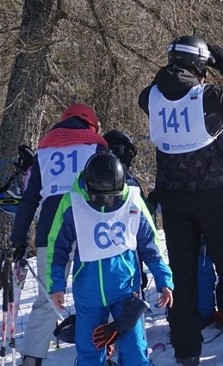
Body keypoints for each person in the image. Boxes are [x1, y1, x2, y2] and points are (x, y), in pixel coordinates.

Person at [138, 35, 223, 363]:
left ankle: (185, 349)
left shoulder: (150, 96)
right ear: (199, 65)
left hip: (174, 199)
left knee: (183, 275)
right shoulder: (207, 96)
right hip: (213, 197)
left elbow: (158, 92)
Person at [46, 152, 174, 366]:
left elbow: (151, 246)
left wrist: (164, 279)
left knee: (134, 350)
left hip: (125, 291)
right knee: (90, 353)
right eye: (100, 198)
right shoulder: (72, 203)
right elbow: (57, 247)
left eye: (112, 197)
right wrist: (56, 283)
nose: (106, 203)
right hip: (88, 294)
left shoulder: (133, 200)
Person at [9, 103, 107, 366]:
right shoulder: (97, 144)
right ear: (91, 123)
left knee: (46, 297)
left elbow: (30, 198)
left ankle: (32, 358)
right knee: (99, 291)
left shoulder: (45, 148)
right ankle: (105, 348)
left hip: (51, 228)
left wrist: (18, 238)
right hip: (89, 225)